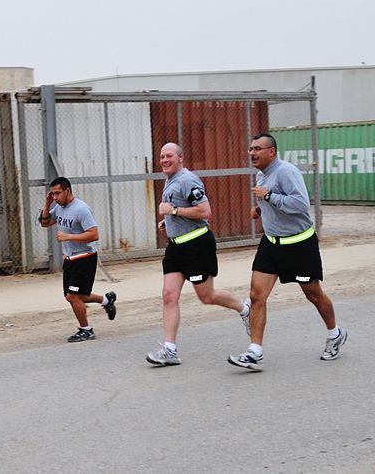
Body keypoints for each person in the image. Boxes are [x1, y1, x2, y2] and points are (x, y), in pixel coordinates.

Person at [228, 133, 347, 371]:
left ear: (271, 151)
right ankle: (255, 352)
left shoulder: (286, 171)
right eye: (250, 148)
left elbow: (301, 204)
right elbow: (272, 201)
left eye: (257, 149)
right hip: (272, 244)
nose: (252, 153)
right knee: (256, 295)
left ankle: (335, 334)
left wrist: (269, 197)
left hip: (299, 244)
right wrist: (260, 209)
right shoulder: (262, 174)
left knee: (313, 294)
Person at [146, 143, 250, 366]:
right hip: (175, 248)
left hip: (197, 246)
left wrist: (172, 211)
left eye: (169, 156)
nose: (164, 160)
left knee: (207, 296)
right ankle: (170, 350)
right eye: (162, 156)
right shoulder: (170, 179)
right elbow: (183, 208)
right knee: (168, 295)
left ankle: (244, 309)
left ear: (181, 158)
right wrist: (170, 220)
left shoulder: (188, 180)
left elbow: (205, 212)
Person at [40, 176, 117, 342]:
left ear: (67, 191)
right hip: (70, 258)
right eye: (52, 194)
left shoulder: (81, 209)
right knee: (76, 295)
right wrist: (47, 205)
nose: (55, 197)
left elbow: (94, 234)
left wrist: (68, 236)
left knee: (73, 296)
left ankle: (86, 330)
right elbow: (45, 223)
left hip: (85, 257)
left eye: (58, 193)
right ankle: (106, 300)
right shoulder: (59, 207)